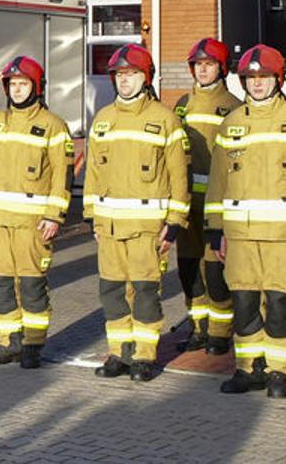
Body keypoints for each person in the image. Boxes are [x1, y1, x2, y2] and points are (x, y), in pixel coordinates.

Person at [211, 45, 286, 399]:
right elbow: (218, 181)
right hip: (240, 236)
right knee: (244, 301)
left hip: (282, 235)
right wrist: (216, 230)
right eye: (251, 78)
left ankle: (278, 370)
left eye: (263, 78)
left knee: (278, 302)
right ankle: (248, 368)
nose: (257, 84)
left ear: (278, 80)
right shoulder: (231, 123)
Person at [0, 56, 71, 367]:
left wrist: (54, 216)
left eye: (23, 84)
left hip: (34, 224)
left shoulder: (53, 125)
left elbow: (63, 176)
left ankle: (33, 345)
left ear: (36, 87)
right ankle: (10, 342)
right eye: (13, 85)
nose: (18, 90)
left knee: (32, 285)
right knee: (1, 284)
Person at [85, 44, 187, 381]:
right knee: (112, 291)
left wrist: (173, 224)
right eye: (119, 75)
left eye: (131, 74)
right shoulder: (103, 119)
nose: (124, 81)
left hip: (147, 227)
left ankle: (144, 356)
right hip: (110, 227)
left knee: (145, 292)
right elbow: (94, 175)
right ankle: (119, 353)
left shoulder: (165, 119)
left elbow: (178, 177)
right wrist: (92, 218)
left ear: (146, 78)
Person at [176, 38, 240, 354]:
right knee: (189, 271)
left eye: (209, 64)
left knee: (215, 272)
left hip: (217, 204)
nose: (202, 70)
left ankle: (219, 332)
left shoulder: (234, 107)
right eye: (198, 64)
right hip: (187, 204)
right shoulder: (181, 105)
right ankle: (197, 328)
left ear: (221, 67)